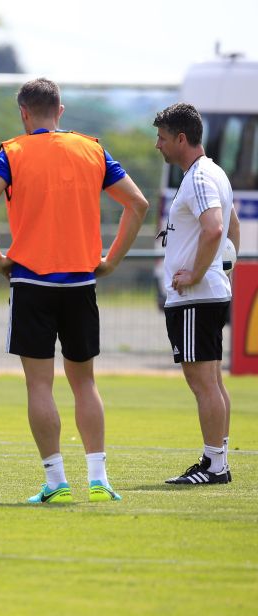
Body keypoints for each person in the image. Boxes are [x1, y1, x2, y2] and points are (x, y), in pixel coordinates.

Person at [0, 77, 149, 504]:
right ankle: (99, 478)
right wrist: (111, 260)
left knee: (39, 386)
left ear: (24, 113)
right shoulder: (92, 148)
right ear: (61, 111)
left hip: (31, 281)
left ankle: (55, 480)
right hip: (81, 280)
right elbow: (138, 203)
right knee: (84, 383)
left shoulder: (12, 152)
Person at [153, 103, 238, 485]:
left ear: (181, 138)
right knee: (211, 380)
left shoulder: (199, 178)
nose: (159, 145)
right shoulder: (213, 172)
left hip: (196, 296)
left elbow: (215, 228)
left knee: (202, 380)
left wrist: (197, 273)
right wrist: (223, 268)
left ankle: (215, 465)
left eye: (163, 137)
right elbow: (232, 225)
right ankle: (214, 457)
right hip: (206, 293)